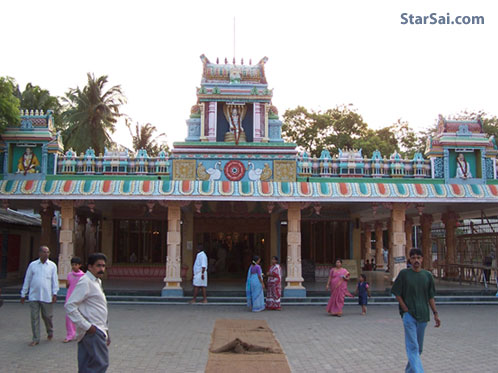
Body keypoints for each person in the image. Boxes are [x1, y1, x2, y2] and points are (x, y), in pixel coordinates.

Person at [392, 248, 441, 373]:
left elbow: (430, 296)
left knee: (418, 349)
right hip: (409, 315)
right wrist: (405, 308)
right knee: (412, 347)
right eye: (413, 258)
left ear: (422, 259)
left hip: (423, 315)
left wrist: (435, 313)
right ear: (410, 260)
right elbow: (396, 292)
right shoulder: (404, 274)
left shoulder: (427, 276)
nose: (416, 260)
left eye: (418, 258)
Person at [65, 253, 110, 373]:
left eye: (103, 266)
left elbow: (98, 308)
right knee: (100, 364)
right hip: (92, 330)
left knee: (86, 365)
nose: (101, 269)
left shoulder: (96, 281)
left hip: (98, 329)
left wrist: (106, 331)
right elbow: (70, 306)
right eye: (98, 266)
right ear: (90, 267)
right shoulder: (85, 281)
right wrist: (87, 326)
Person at [20, 245, 59, 346]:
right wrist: (23, 293)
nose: (46, 254)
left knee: (47, 316)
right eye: (44, 252)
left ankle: (50, 331)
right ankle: (36, 338)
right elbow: (27, 279)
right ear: (39, 253)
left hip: (47, 296)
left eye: (48, 252)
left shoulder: (52, 265)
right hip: (34, 295)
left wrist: (55, 293)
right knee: (34, 317)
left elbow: (55, 280)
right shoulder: (33, 265)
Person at [64, 256, 85, 343]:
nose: (74, 266)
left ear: (80, 265)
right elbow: (67, 285)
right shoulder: (69, 275)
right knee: (68, 317)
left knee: (80, 317)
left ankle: (80, 334)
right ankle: (70, 334)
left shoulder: (83, 276)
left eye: (76, 265)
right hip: (70, 298)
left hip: (79, 299)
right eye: (72, 265)